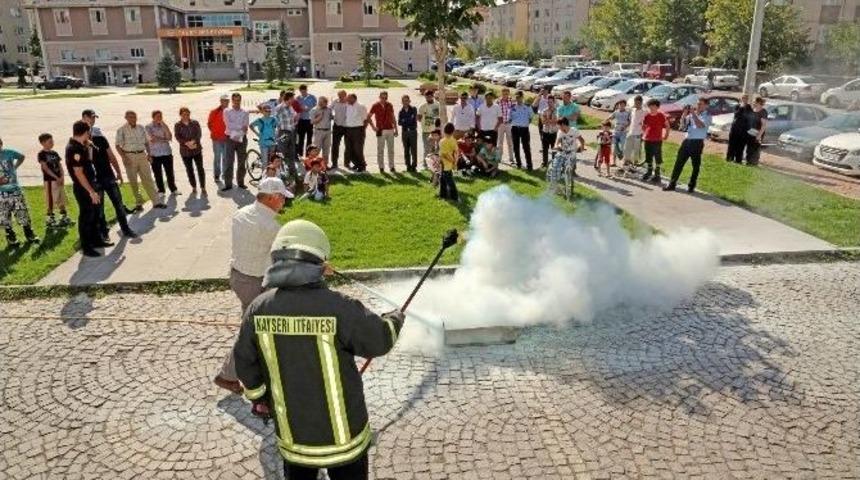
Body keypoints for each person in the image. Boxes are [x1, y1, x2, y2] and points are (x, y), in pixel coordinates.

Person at [233, 219, 405, 480]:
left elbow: (245, 362)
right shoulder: (339, 307)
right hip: (344, 440)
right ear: (319, 263)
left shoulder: (259, 308)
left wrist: (260, 398)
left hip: (295, 440)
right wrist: (395, 319)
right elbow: (379, 340)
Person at [214, 176, 291, 394]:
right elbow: (286, 257)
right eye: (282, 198)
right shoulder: (272, 226)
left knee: (254, 325)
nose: (284, 202)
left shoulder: (241, 213)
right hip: (255, 283)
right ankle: (227, 375)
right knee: (250, 330)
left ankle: (260, 363)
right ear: (272, 198)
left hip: (238, 276)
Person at [82, 110, 136, 240]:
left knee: (118, 203)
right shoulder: (80, 141)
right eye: (91, 117)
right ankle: (103, 232)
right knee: (99, 208)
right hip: (94, 179)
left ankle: (125, 229)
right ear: (84, 118)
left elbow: (111, 156)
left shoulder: (100, 137)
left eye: (94, 118)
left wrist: (118, 172)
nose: (93, 120)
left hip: (108, 175)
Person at [66, 121, 103, 257]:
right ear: (86, 132)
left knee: (94, 215)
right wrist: (91, 191)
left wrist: (89, 147)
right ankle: (87, 247)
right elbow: (79, 173)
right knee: (86, 217)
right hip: (83, 189)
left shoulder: (81, 146)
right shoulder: (73, 149)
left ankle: (97, 241)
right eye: (89, 132)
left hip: (90, 185)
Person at [115, 111, 164, 210]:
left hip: (142, 155)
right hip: (129, 157)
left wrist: (149, 154)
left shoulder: (141, 128)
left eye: (134, 117)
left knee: (148, 179)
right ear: (126, 118)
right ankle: (138, 202)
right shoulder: (121, 130)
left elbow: (147, 142)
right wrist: (124, 157)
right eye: (130, 117)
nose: (133, 118)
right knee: (133, 181)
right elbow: (117, 145)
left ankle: (156, 202)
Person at [664, 98, 712, 193]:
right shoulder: (691, 115)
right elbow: (682, 126)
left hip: (697, 142)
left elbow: (700, 125)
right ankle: (672, 183)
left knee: (695, 165)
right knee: (678, 163)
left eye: (701, 104)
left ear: (706, 106)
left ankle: (691, 185)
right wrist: (684, 114)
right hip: (687, 141)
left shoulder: (707, 116)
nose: (698, 106)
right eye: (697, 104)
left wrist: (693, 114)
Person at [0, 137, 39, 246]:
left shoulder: (9, 152)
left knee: (22, 212)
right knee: (4, 215)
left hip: (15, 190)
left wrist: (15, 167)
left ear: (1, 144)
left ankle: (29, 234)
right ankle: (11, 237)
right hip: (1, 193)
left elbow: (21, 156)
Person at [36, 133, 72, 229]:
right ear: (43, 143)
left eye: (52, 141)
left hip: (59, 180)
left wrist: (62, 177)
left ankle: (64, 217)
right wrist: (56, 178)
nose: (52, 143)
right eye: (50, 142)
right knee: (51, 199)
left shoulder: (54, 153)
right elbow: (45, 168)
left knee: (61, 198)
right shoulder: (41, 154)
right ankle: (50, 219)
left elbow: (59, 165)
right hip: (50, 181)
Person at [145, 110, 179, 200]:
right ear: (153, 117)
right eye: (157, 116)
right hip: (155, 154)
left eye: (160, 116)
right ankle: (161, 191)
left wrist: (164, 126)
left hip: (167, 152)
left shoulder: (164, 125)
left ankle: (173, 189)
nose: (159, 118)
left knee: (170, 172)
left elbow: (170, 137)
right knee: (157, 174)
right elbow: (152, 138)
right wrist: (165, 140)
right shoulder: (148, 127)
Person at [547, 118, 585, 196]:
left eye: (559, 126)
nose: (559, 128)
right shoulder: (560, 132)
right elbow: (557, 142)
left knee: (567, 170)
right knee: (554, 168)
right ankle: (555, 188)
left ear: (563, 124)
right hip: (562, 152)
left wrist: (581, 148)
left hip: (571, 153)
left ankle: (568, 190)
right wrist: (557, 146)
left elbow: (582, 140)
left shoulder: (574, 130)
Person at [174, 107, 206, 196]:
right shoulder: (177, 125)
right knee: (189, 170)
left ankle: (203, 187)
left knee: (200, 169)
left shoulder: (195, 123)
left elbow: (199, 134)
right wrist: (186, 143)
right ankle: (194, 187)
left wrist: (194, 141)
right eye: (184, 114)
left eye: (187, 114)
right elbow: (177, 136)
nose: (186, 116)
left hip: (197, 150)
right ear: (180, 115)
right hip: (185, 152)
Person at [223, 92, 250, 190]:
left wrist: (238, 128)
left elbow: (246, 126)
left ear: (240, 100)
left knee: (241, 162)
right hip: (229, 139)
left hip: (242, 139)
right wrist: (239, 126)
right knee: (229, 162)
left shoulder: (245, 112)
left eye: (238, 100)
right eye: (235, 100)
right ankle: (228, 184)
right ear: (232, 101)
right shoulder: (227, 111)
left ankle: (241, 182)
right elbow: (228, 125)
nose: (237, 102)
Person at [367, 91, 398, 173]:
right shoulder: (375, 105)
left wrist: (396, 129)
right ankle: (381, 167)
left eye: (385, 98)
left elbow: (393, 117)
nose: (384, 99)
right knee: (380, 150)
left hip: (390, 129)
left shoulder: (390, 105)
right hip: (380, 130)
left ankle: (392, 167)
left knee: (391, 150)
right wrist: (373, 127)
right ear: (379, 97)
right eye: (382, 97)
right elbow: (368, 117)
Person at [274, 90, 302, 179]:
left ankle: (293, 173)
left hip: (291, 132)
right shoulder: (280, 108)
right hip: (283, 133)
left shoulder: (290, 107)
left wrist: (296, 117)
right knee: (281, 153)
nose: (294, 100)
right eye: (292, 98)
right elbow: (274, 119)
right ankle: (279, 174)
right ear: (288, 98)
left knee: (291, 153)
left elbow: (293, 116)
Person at [641, 99, 670, 183]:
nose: (651, 108)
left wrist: (666, 134)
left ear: (657, 107)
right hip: (648, 139)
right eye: (650, 106)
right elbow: (644, 126)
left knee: (657, 157)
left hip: (657, 139)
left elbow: (667, 125)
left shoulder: (661, 115)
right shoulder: (647, 116)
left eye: (653, 106)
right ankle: (649, 171)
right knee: (648, 156)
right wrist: (643, 131)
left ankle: (657, 174)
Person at [207, 95, 229, 183]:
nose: (226, 102)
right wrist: (215, 132)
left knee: (225, 157)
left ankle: (225, 174)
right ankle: (217, 175)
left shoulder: (230, 112)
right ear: (220, 101)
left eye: (227, 101)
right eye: (224, 101)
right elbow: (209, 124)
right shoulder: (214, 111)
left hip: (227, 139)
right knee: (217, 158)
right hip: (216, 139)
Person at [343, 94, 368, 172]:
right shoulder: (347, 106)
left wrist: (363, 130)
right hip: (348, 129)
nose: (346, 99)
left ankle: (362, 165)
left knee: (358, 149)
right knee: (349, 148)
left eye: (348, 98)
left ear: (353, 99)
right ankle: (356, 164)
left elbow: (365, 119)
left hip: (358, 129)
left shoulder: (361, 106)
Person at [621, 95, 646, 173]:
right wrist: (625, 127)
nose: (637, 104)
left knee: (636, 151)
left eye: (638, 103)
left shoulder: (644, 112)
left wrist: (643, 134)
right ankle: (626, 165)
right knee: (627, 149)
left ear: (641, 103)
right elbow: (631, 121)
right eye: (635, 103)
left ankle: (634, 166)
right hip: (630, 132)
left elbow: (646, 124)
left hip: (638, 134)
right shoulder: (633, 110)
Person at [510, 91, 534, 170]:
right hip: (515, 128)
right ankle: (518, 164)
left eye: (519, 97)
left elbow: (531, 117)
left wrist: (525, 124)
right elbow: (510, 118)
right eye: (516, 97)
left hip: (524, 129)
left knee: (526, 147)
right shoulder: (513, 107)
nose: (518, 99)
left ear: (522, 97)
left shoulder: (527, 106)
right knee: (516, 147)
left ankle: (529, 165)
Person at [417, 91, 441, 168]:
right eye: (427, 96)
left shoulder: (438, 105)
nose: (428, 98)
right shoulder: (422, 106)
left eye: (430, 96)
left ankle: (435, 164)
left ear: (433, 96)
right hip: (426, 130)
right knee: (427, 148)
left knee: (436, 148)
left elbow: (441, 116)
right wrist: (423, 116)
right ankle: (425, 164)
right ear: (425, 97)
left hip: (436, 131)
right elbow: (419, 119)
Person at [727, 94, 751, 163]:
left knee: (740, 146)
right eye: (743, 98)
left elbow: (750, 117)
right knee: (732, 144)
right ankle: (730, 158)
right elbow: (736, 115)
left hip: (743, 130)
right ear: (741, 99)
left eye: (746, 98)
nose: (745, 100)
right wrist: (741, 107)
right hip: (735, 128)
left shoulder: (749, 107)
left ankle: (738, 160)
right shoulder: (737, 106)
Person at [438, 123, 459, 202]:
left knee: (450, 182)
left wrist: (453, 162)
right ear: (453, 131)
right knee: (442, 179)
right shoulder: (453, 140)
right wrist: (455, 162)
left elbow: (444, 154)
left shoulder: (442, 141)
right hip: (448, 164)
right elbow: (456, 152)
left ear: (444, 131)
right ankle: (443, 195)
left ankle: (455, 197)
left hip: (445, 164)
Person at [398, 95, 419, 172]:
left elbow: (413, 120)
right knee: (406, 150)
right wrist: (409, 119)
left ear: (409, 101)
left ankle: (414, 165)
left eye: (407, 100)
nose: (405, 102)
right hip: (405, 132)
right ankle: (408, 165)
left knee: (413, 149)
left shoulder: (413, 109)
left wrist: (405, 120)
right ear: (402, 102)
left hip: (413, 132)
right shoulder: (401, 111)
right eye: (404, 101)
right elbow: (399, 122)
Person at [311, 96, 333, 166]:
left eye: (322, 102)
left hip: (328, 132)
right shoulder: (314, 110)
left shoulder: (329, 109)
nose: (320, 104)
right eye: (319, 102)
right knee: (316, 149)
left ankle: (325, 165)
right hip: (319, 131)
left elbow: (331, 117)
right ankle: (314, 165)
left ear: (326, 103)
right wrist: (319, 118)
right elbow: (312, 122)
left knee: (326, 150)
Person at [746, 97, 768, 166]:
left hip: (758, 133)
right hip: (750, 132)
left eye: (754, 102)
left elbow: (763, 125)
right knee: (749, 148)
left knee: (755, 148)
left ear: (758, 103)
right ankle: (748, 161)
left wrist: (759, 136)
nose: (753, 103)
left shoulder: (763, 112)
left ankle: (754, 163)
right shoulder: (753, 110)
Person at [296, 84, 317, 155]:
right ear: (300, 91)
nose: (303, 93)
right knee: (301, 138)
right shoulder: (298, 98)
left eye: (304, 91)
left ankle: (308, 154)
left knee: (309, 138)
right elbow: (296, 108)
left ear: (306, 90)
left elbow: (315, 107)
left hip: (309, 120)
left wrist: (309, 108)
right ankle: (300, 154)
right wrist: (301, 108)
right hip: (301, 120)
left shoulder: (312, 97)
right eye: (302, 92)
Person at [608, 100, 631, 167]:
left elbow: (629, 122)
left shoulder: (627, 113)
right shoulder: (616, 112)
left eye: (623, 105)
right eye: (620, 105)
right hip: (615, 132)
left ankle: (624, 161)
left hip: (623, 133)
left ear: (625, 105)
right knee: (614, 147)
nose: (621, 106)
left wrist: (625, 126)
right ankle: (613, 162)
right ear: (618, 105)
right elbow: (610, 118)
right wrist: (605, 122)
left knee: (623, 147)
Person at [496, 88, 515, 165]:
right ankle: (499, 158)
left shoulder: (512, 102)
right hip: (500, 124)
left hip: (509, 124)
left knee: (510, 141)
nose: (505, 95)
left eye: (507, 94)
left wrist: (512, 119)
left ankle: (511, 158)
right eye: (504, 94)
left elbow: (514, 112)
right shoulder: (498, 102)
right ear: (501, 94)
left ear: (509, 94)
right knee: (500, 142)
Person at [539, 95, 559, 168]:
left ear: (554, 102)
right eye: (548, 102)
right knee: (545, 148)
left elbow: (556, 122)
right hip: (545, 132)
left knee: (554, 149)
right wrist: (551, 121)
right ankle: (544, 162)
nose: (549, 103)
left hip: (554, 132)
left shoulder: (557, 111)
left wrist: (548, 120)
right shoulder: (544, 110)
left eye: (551, 102)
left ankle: (554, 163)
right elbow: (543, 122)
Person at [330, 90, 348, 169]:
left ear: (345, 95)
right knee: (335, 145)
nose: (340, 98)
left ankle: (347, 162)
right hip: (337, 126)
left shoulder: (349, 102)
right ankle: (334, 163)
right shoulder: (335, 102)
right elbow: (329, 109)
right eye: (339, 96)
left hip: (347, 127)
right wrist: (332, 115)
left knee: (348, 145)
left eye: (342, 96)